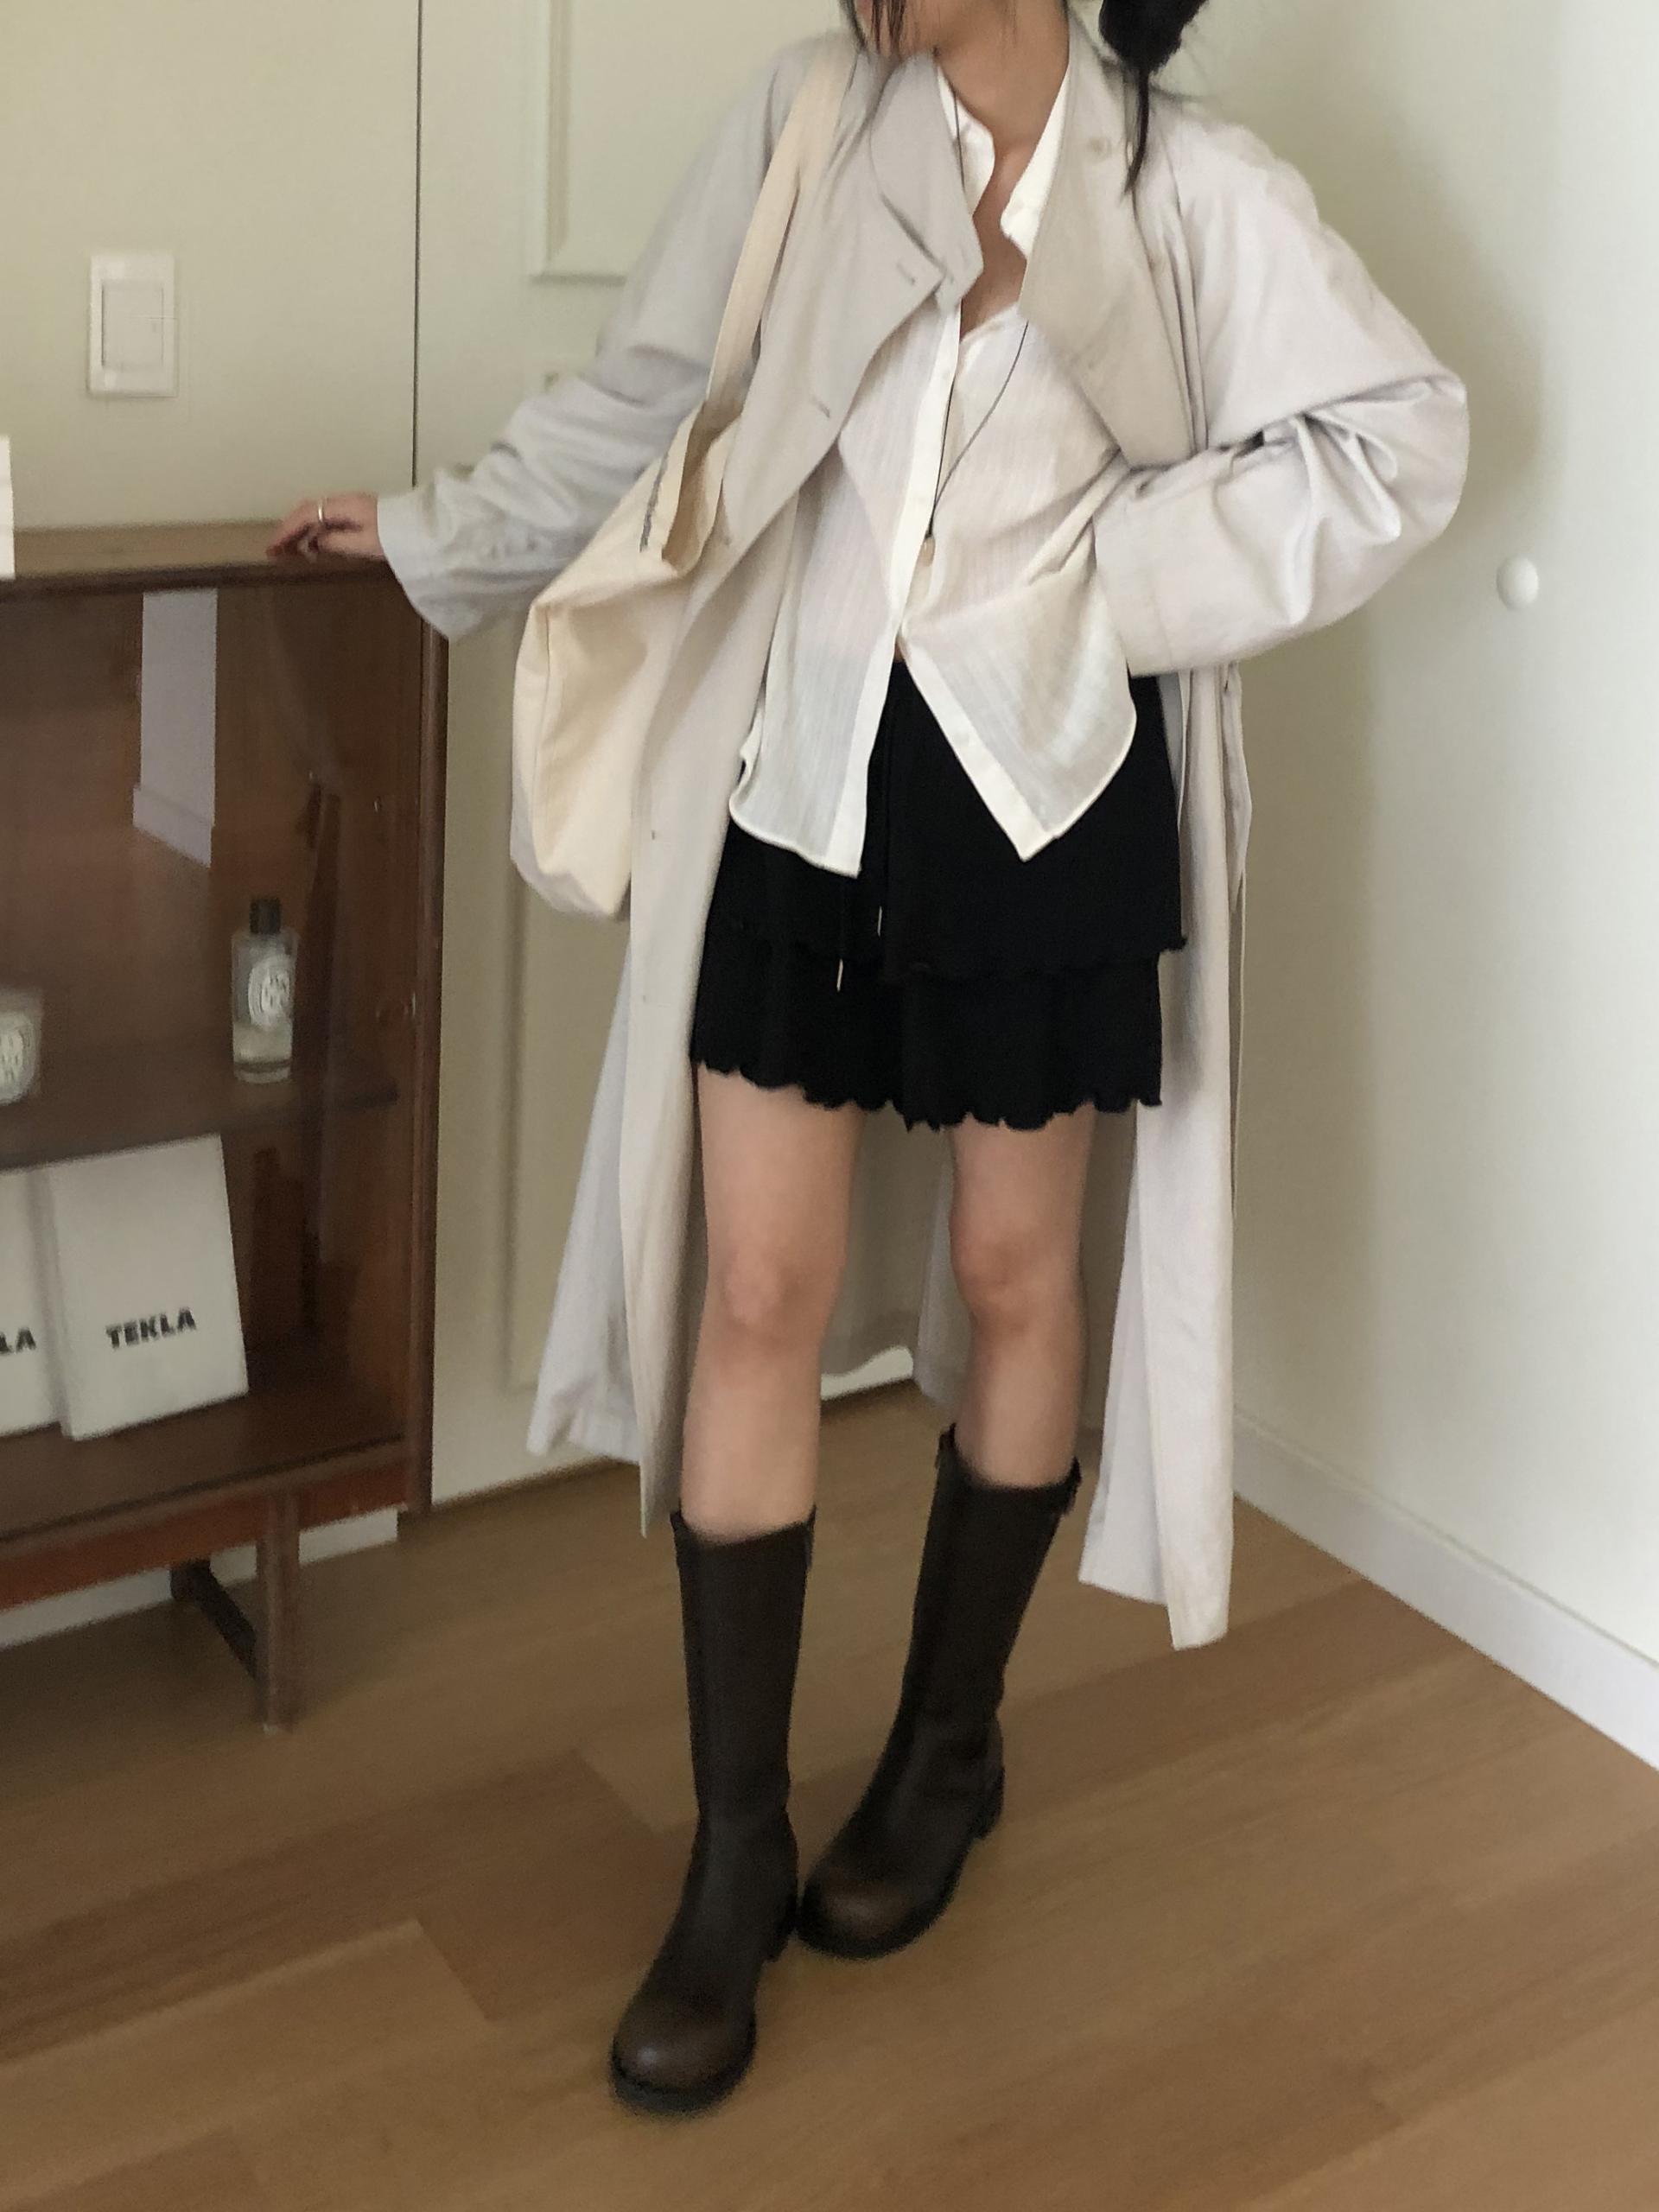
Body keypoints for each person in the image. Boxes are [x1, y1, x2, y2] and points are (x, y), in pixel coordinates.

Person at [272, 0, 1468, 2120]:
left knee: (1017, 1276)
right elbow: (659, 395)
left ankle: (944, 1746)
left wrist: (1110, 586)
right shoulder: (814, 124)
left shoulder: (1187, 186)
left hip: (1046, 790)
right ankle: (732, 1848)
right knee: (755, 1284)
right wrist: (437, 529)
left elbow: (1400, 437)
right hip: (804, 778)